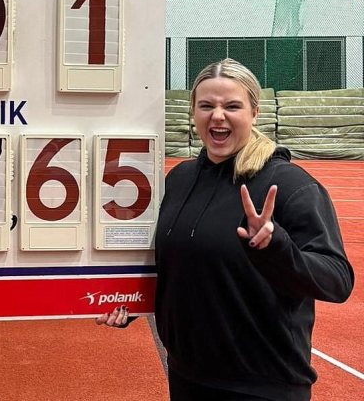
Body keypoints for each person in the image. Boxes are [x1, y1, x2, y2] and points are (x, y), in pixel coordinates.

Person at [97, 58, 354, 400]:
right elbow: (176, 268)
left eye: (232, 106)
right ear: (193, 112)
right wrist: (129, 301)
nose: (217, 116)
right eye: (207, 106)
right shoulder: (180, 179)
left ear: (254, 112)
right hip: (188, 377)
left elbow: (337, 280)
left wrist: (277, 247)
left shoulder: (290, 185)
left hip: (263, 386)